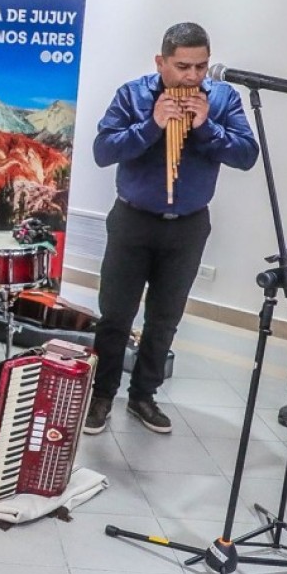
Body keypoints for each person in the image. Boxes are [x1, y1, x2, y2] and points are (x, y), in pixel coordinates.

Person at [83, 22, 259, 436]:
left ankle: (144, 395)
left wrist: (207, 127)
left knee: (164, 319)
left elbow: (247, 155)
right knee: (116, 315)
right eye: (183, 67)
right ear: (160, 62)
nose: (193, 77)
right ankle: (102, 394)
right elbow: (103, 151)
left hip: (189, 226)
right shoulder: (132, 95)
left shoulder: (223, 99)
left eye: (201, 66)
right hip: (132, 221)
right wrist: (152, 125)